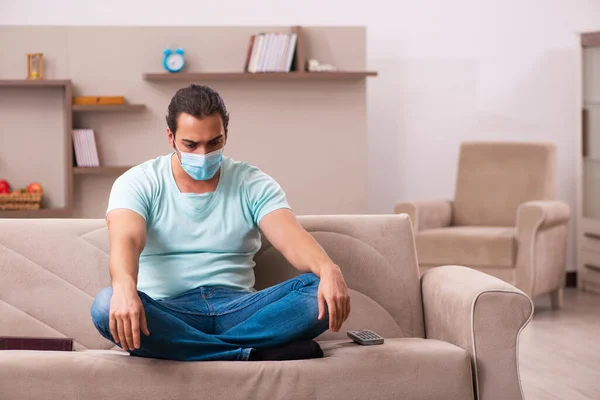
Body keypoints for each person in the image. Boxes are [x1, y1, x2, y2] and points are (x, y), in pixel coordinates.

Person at [90, 84, 351, 362]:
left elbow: (290, 236)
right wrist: (125, 290)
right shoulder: (139, 182)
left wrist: (328, 268)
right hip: (170, 311)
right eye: (190, 145)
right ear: (171, 137)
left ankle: (193, 349)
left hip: (239, 309)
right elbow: (126, 241)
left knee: (316, 291)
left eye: (214, 142)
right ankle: (253, 352)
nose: (203, 155)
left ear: (226, 134)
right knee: (105, 306)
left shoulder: (251, 182)